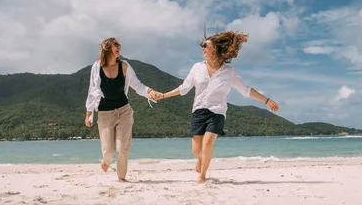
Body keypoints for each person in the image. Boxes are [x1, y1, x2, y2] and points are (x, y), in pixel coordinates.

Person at [156, 31, 280, 183]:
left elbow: (246, 90)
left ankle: (202, 175)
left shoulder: (229, 72)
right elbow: (184, 88)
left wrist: (266, 100)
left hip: (217, 112)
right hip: (198, 111)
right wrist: (163, 95)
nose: (203, 49)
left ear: (215, 49)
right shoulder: (197, 67)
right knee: (196, 150)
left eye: (205, 46)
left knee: (207, 144)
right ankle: (201, 159)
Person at [84, 37, 161, 182]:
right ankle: (106, 161)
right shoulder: (97, 67)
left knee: (123, 149)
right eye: (115, 45)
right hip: (105, 114)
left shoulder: (124, 66)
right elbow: (92, 90)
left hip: (124, 111)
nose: (118, 47)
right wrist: (89, 114)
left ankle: (121, 178)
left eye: (119, 44)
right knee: (108, 151)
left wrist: (150, 91)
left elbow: (137, 85)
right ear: (107, 48)